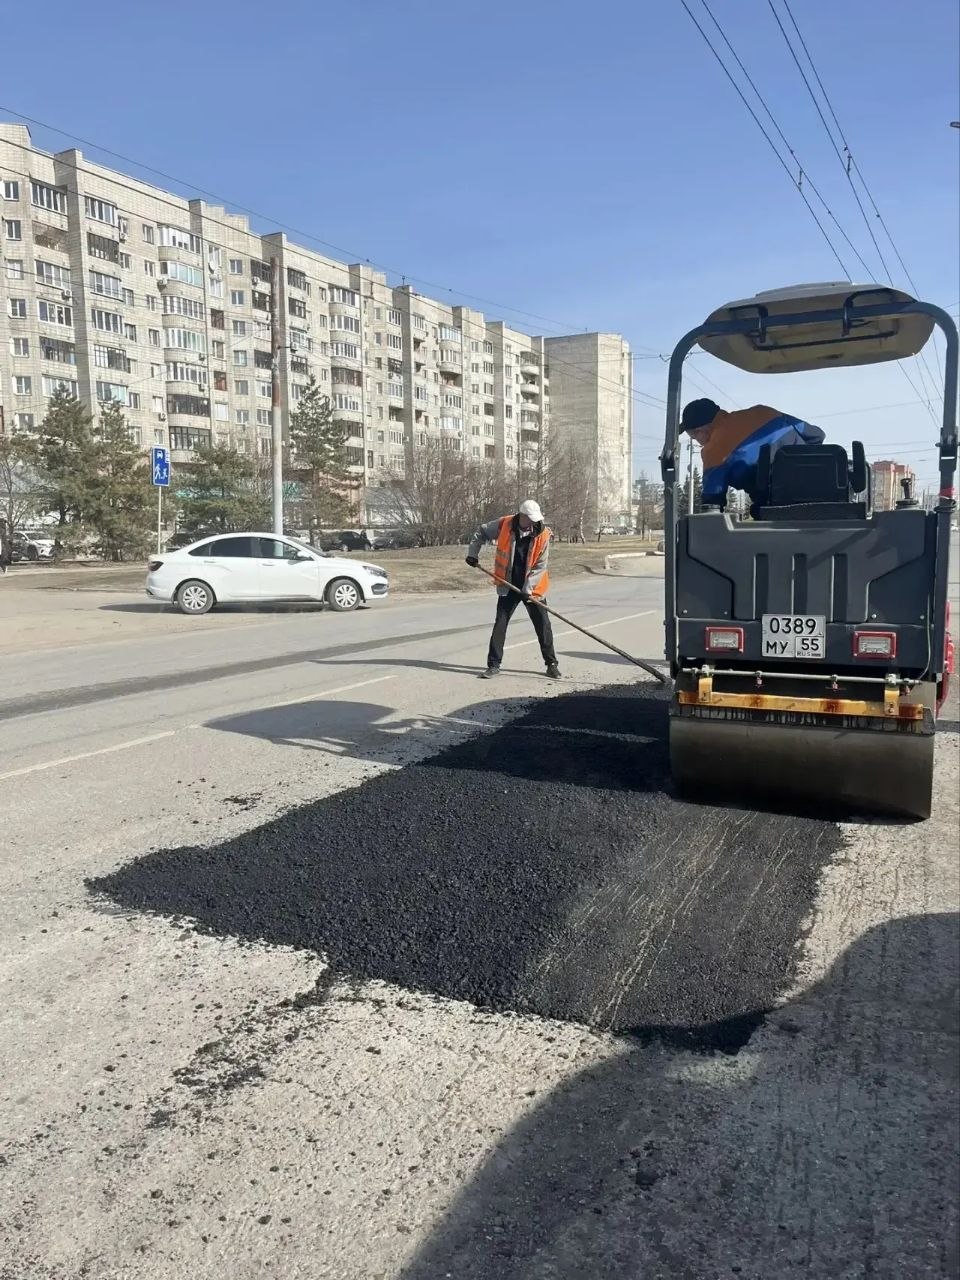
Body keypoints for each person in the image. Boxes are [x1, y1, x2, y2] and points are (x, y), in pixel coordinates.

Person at [466, 499, 561, 680]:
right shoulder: (505, 524)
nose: (533, 522)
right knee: (500, 623)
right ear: (522, 516)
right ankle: (493, 665)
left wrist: (528, 587)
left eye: (535, 519)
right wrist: (472, 553)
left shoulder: (543, 534)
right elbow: (481, 532)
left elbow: (541, 565)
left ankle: (552, 664)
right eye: (530, 518)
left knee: (543, 625)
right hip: (507, 583)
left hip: (533, 586)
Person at [680, 399, 825, 515]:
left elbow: (712, 502)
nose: (696, 440)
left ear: (701, 431)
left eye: (692, 436)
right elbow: (817, 435)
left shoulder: (713, 451)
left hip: (774, 509)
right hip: (824, 496)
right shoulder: (764, 412)